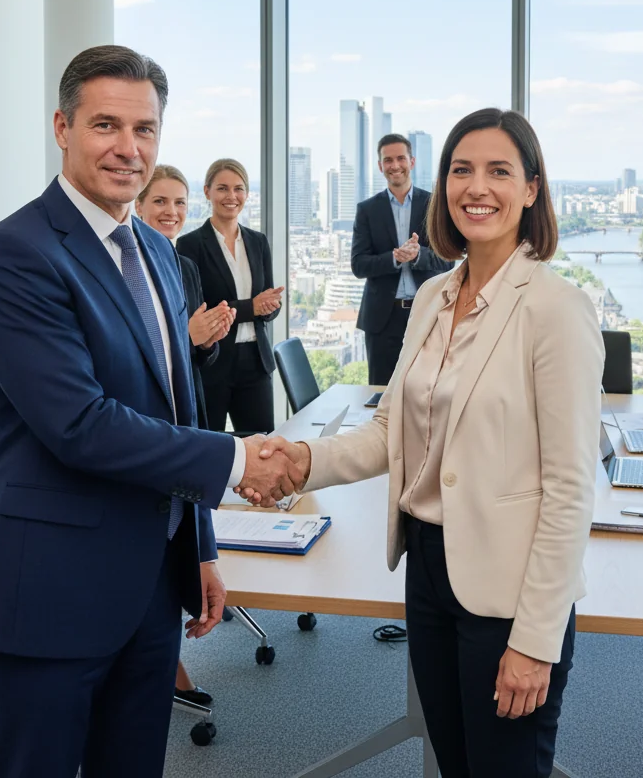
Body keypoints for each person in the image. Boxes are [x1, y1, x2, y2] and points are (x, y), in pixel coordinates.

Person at [0, 45, 302, 778]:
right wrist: (237, 460)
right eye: (106, 124)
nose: (128, 148)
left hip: (150, 580)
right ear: (62, 127)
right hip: (51, 582)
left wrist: (201, 545)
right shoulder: (15, 254)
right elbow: (79, 423)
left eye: (144, 130)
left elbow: (178, 407)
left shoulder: (159, 253)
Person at [247, 109, 604, 777]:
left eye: (500, 171)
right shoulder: (437, 295)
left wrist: (535, 638)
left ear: (532, 188)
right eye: (461, 170)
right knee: (456, 764)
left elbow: (568, 488)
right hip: (430, 569)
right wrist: (302, 463)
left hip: (508, 590)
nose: (478, 187)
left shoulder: (555, 309)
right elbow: (393, 430)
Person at [135, 165, 235, 709]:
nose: (171, 212)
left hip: (186, 408)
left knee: (183, 534)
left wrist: (206, 339)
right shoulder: (126, 261)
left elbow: (200, 356)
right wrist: (186, 336)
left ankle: (162, 661)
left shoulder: (186, 266)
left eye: (178, 203)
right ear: (140, 205)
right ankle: (164, 669)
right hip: (151, 426)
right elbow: (136, 354)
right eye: (161, 203)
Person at [176, 158, 282, 435]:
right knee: (209, 445)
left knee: (262, 445)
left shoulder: (258, 242)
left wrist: (270, 306)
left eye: (239, 189)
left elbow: (266, 305)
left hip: (256, 363)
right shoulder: (189, 245)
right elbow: (198, 311)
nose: (231, 196)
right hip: (214, 363)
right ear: (208, 191)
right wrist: (252, 308)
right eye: (222, 188)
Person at [352, 134, 452, 385]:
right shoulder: (367, 210)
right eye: (388, 160)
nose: (395, 165)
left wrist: (419, 255)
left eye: (400, 158)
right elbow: (359, 265)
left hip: (426, 315)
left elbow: (448, 259)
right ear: (380, 166)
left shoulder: (434, 204)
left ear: (412, 161)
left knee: (427, 390)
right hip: (382, 321)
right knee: (381, 392)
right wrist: (394, 258)